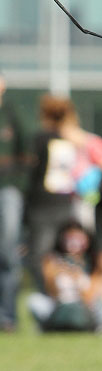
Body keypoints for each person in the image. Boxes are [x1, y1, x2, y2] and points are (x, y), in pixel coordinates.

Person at [25, 95, 102, 291]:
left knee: (77, 254)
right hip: (69, 206)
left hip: (78, 208)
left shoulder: (77, 141)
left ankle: (74, 296)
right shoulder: (72, 140)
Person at [0, 73, 27, 331]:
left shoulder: (12, 114)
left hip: (7, 190)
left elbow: (26, 155)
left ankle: (7, 316)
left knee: (8, 252)